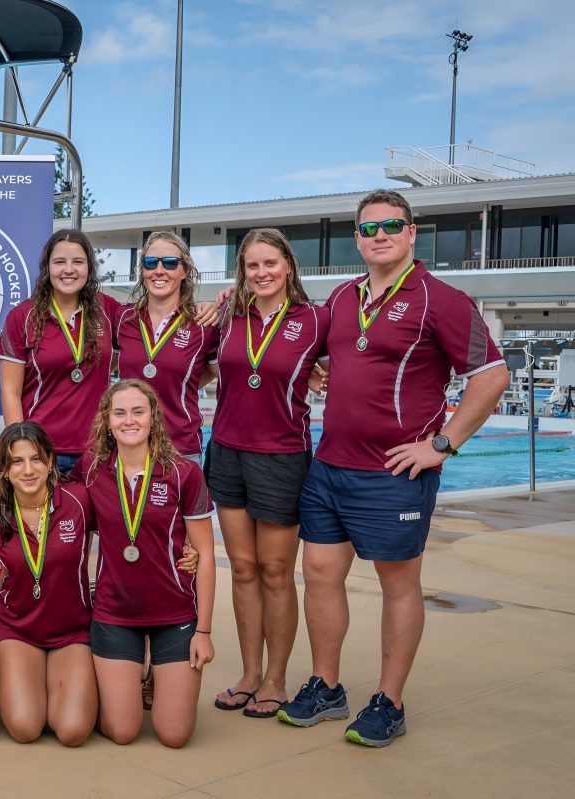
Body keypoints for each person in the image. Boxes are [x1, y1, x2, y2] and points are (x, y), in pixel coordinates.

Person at [281, 189, 509, 747]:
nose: (379, 235)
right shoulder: (341, 297)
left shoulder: (442, 299)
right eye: (368, 228)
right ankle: (327, 685)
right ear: (357, 239)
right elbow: (336, 356)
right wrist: (319, 373)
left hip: (393, 475)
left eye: (391, 226)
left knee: (398, 586)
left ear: (412, 233)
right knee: (319, 576)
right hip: (329, 467)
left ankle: (390, 701)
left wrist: (442, 445)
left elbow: (492, 374)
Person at [205, 228, 329, 719]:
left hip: (281, 455)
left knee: (276, 572)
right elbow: (199, 364)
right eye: (252, 265)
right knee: (242, 569)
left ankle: (277, 678)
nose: (261, 273)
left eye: (270, 264)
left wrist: (325, 374)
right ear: (242, 270)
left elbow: (350, 361)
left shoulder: (315, 319)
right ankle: (250, 673)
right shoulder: (229, 317)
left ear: (289, 267)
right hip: (228, 451)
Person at [71, 379, 216, 748]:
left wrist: (204, 631)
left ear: (154, 417)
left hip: (175, 614)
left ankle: (153, 675)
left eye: (138, 411)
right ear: (107, 419)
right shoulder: (90, 469)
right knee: (123, 732)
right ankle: (127, 674)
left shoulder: (184, 473)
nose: (129, 420)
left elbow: (207, 554)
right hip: (115, 613)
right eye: (120, 412)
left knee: (174, 734)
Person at [0, 422, 97, 746]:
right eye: (17, 461)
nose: (28, 470)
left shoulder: (80, 500)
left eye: (36, 459)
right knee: (25, 729)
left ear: (50, 462)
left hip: (71, 631)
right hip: (18, 629)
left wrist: (186, 550)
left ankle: (54, 681)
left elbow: (127, 533)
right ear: (3, 468)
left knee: (72, 731)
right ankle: (5, 675)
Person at [0, 229, 119, 474]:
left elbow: (153, 320)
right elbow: (10, 391)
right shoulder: (23, 317)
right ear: (47, 267)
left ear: (89, 268)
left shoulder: (108, 309)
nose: (69, 269)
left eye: (78, 262)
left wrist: (205, 305)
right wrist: (23, 449)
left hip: (96, 450)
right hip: (41, 450)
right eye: (60, 262)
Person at [114, 232, 219, 461]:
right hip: (126, 447)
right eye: (150, 263)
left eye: (170, 263)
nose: (159, 271)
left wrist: (183, 383)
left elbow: (214, 370)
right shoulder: (122, 318)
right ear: (142, 271)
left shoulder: (202, 323)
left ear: (185, 271)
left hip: (180, 447)